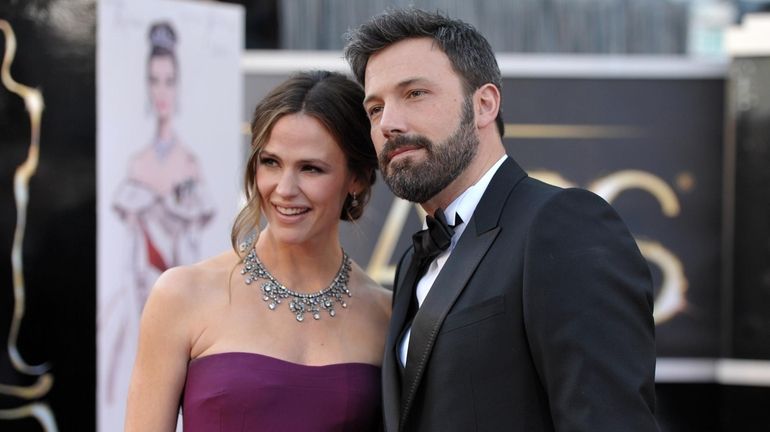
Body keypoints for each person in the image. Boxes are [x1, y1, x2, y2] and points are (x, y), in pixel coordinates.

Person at [344, 8, 659, 432]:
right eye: (375, 108)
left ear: (484, 104)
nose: (389, 124)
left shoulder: (561, 225)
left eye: (415, 93)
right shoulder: (411, 265)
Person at [124, 71, 391, 431]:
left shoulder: (384, 314)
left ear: (356, 178)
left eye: (311, 169)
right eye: (271, 163)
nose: (284, 189)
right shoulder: (182, 295)